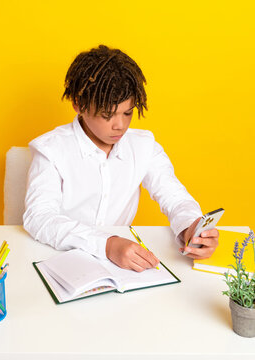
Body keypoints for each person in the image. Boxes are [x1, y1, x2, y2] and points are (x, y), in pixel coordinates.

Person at [23, 45, 219, 272]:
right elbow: (39, 217)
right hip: (58, 258)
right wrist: (106, 245)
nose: (120, 125)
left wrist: (191, 227)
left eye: (128, 113)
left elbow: (174, 197)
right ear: (78, 104)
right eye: (107, 115)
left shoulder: (143, 146)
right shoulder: (51, 149)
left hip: (122, 268)